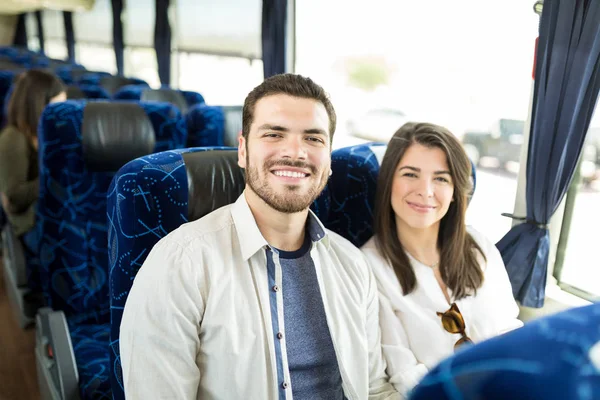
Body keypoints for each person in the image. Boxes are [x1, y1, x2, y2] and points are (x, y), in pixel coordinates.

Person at [120, 73, 399, 400]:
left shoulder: (352, 263)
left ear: (329, 160)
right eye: (274, 134)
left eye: (313, 139)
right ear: (243, 150)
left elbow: (376, 389)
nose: (295, 152)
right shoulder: (181, 263)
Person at [361, 122, 523, 397]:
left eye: (441, 178)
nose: (425, 190)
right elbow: (404, 374)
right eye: (410, 174)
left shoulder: (478, 246)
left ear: (454, 192)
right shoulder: (369, 266)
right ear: (389, 180)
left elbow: (510, 333)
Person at [0, 69, 66, 292]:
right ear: (38, 105)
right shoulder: (13, 139)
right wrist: (54, 177)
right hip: (30, 222)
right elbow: (14, 197)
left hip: (53, 211)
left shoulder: (53, 135)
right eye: (55, 107)